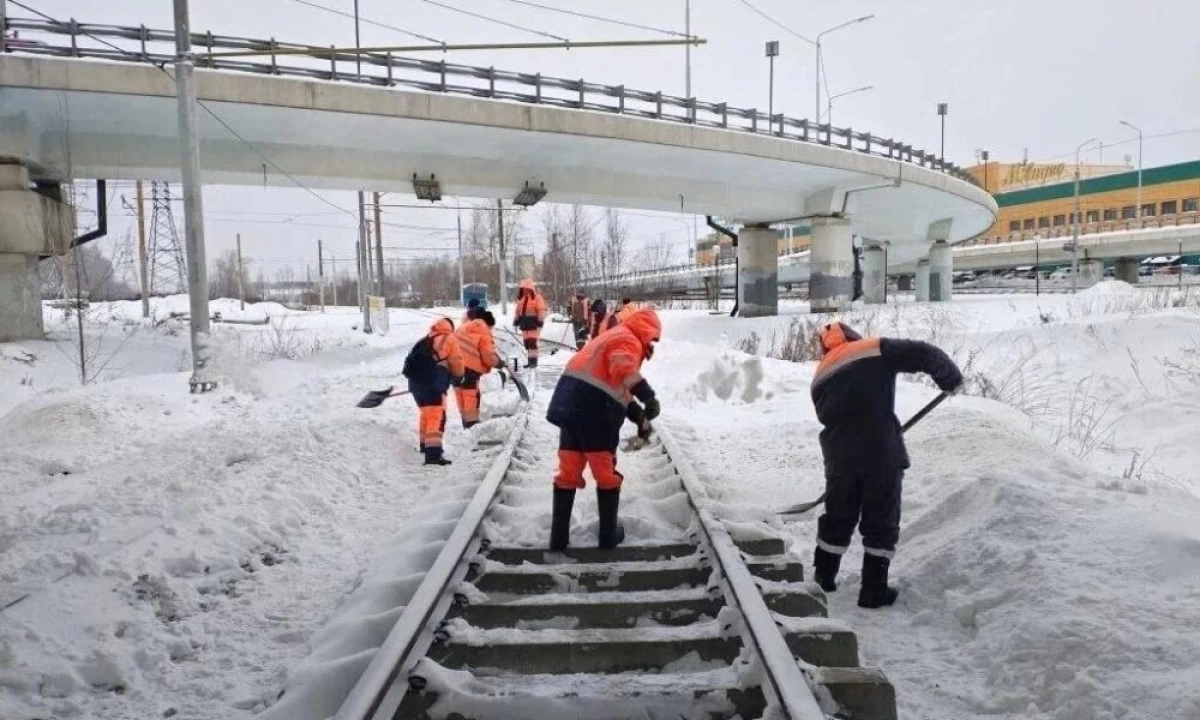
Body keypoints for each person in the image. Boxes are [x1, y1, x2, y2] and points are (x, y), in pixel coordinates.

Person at [810, 322, 963, 608]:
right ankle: (873, 590)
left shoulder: (819, 375)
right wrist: (950, 378)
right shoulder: (872, 349)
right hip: (880, 451)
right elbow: (922, 352)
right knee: (881, 520)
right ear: (853, 336)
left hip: (839, 455)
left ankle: (823, 577)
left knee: (838, 517)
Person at [546, 307, 662, 550]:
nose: (652, 345)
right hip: (595, 411)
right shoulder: (629, 339)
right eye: (652, 339)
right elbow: (622, 369)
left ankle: (558, 539)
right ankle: (608, 536)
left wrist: (636, 414)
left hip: (569, 404)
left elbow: (611, 380)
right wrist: (648, 398)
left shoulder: (612, 336)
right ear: (646, 330)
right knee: (605, 474)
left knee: (568, 470)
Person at [405, 318, 465, 466]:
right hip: (433, 384)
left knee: (426, 414)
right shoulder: (449, 339)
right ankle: (433, 455)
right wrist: (458, 377)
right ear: (450, 328)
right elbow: (457, 361)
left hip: (415, 384)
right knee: (436, 416)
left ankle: (425, 446)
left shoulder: (424, 340)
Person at [454, 310, 502, 429]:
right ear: (488, 324)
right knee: (471, 395)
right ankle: (471, 426)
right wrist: (500, 363)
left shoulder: (462, 327)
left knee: (460, 393)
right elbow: (488, 357)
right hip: (469, 369)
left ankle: (465, 422)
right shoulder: (484, 332)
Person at [513, 279, 548, 368]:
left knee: (532, 343)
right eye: (523, 289)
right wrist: (516, 320)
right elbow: (517, 311)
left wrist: (540, 321)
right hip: (524, 323)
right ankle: (530, 361)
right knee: (527, 343)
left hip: (533, 323)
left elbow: (541, 310)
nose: (524, 290)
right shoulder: (521, 299)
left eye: (526, 288)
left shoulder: (537, 298)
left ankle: (533, 362)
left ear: (530, 289)